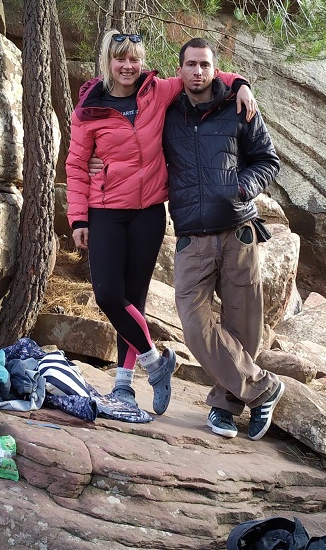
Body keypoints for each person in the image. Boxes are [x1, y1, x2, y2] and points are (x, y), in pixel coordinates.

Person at [66, 29, 256, 415]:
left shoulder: (158, 91)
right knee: (107, 296)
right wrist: (78, 218)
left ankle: (123, 386)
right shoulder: (89, 110)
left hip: (150, 212)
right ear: (108, 61)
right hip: (106, 210)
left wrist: (242, 84)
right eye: (120, 59)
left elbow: (201, 75)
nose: (128, 66)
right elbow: (75, 166)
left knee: (133, 297)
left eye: (134, 58)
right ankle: (155, 363)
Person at [162, 37, 283, 440]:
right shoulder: (166, 111)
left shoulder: (239, 107)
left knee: (243, 324)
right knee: (194, 323)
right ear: (179, 70)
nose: (198, 71)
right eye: (190, 64)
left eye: (205, 65)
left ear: (215, 70)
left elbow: (268, 159)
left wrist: (243, 187)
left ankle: (224, 408)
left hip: (238, 230)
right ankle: (263, 388)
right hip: (192, 235)